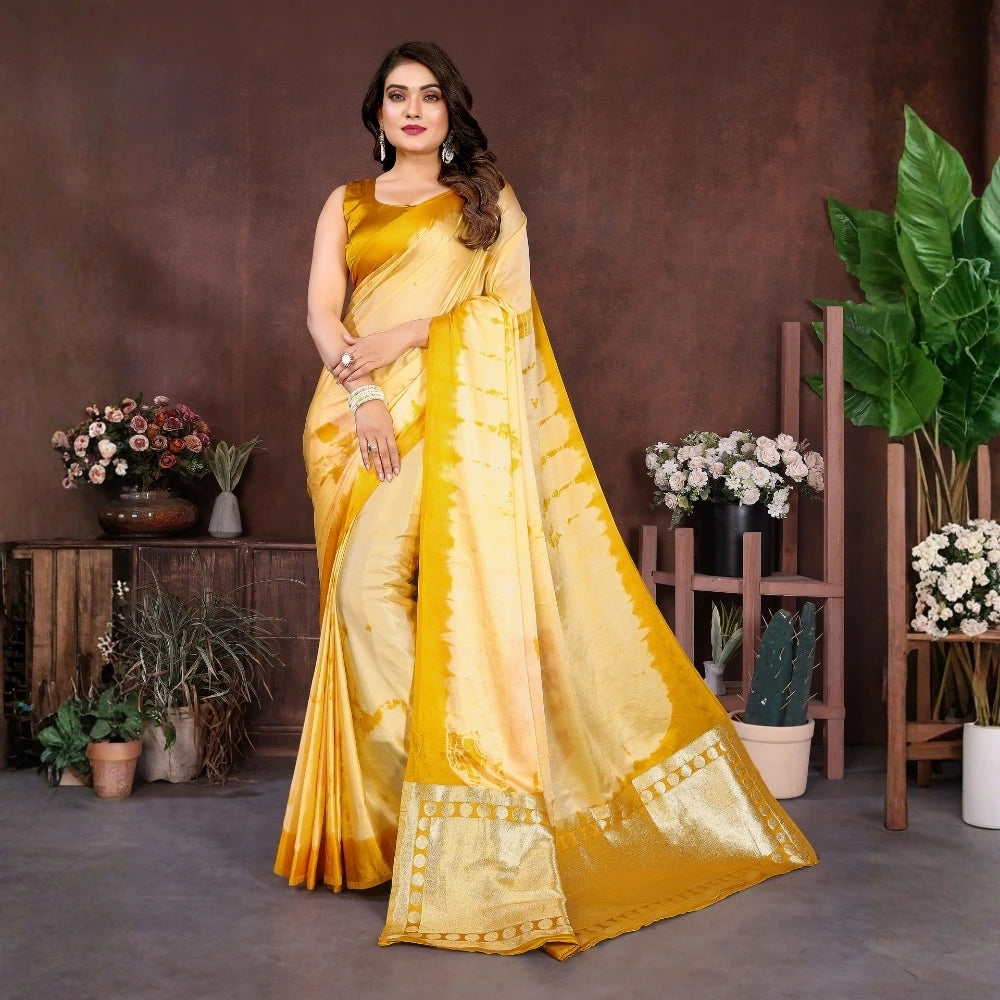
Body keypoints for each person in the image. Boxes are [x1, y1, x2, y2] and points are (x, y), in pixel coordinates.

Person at [275, 41, 817, 959]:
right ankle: (425, 817)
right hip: (350, 418)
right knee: (358, 602)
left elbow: (510, 324)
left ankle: (473, 796)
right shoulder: (347, 202)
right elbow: (324, 313)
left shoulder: (490, 204)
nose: (413, 111)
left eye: (430, 97)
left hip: (452, 422)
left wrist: (412, 330)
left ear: (451, 113)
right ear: (376, 115)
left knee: (381, 597)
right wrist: (365, 391)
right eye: (397, 97)